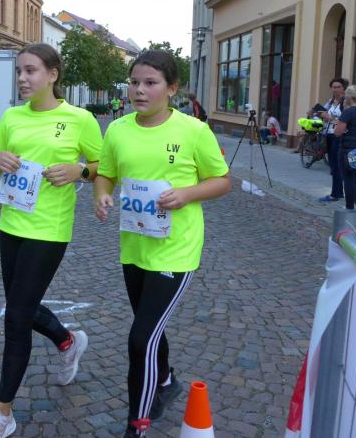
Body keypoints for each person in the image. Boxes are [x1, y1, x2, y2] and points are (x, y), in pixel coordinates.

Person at [93, 50, 231, 438]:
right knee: (150, 327)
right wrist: (101, 195)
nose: (139, 90)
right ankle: (166, 381)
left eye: (150, 83)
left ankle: (136, 426)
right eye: (134, 82)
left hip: (176, 249)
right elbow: (105, 173)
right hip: (135, 246)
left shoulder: (194, 131)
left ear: (172, 89)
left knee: (141, 338)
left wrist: (186, 194)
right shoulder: (118, 130)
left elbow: (222, 181)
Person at [0, 43, 102, 438]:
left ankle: (2, 412)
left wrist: (79, 171)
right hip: (11, 225)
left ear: (52, 74)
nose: (22, 78)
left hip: (49, 229)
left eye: (30, 71)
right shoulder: (12, 117)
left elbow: (103, 167)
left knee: (16, 317)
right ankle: (68, 341)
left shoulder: (79, 119)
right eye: (19, 71)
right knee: (22, 306)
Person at [319, 77, 348, 202]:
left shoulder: (346, 102)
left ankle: (336, 193)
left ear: (343, 88)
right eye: (333, 87)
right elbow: (324, 115)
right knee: (333, 165)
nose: (335, 89)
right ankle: (338, 192)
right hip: (329, 135)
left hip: (339, 136)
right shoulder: (331, 101)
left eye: (338, 87)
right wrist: (322, 115)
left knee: (337, 165)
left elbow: (346, 121)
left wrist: (330, 118)